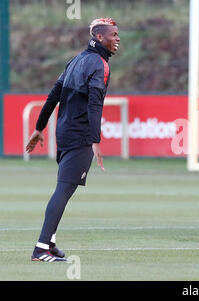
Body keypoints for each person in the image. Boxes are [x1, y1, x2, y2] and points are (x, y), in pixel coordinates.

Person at [26, 18, 120, 262]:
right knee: (63, 190)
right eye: (114, 34)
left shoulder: (76, 60)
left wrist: (39, 127)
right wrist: (95, 140)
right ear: (100, 37)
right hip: (79, 136)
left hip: (64, 132)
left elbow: (54, 94)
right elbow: (94, 103)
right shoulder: (99, 65)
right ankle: (41, 249)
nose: (117, 38)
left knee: (64, 188)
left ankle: (51, 242)